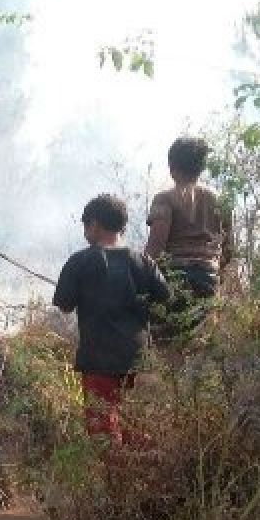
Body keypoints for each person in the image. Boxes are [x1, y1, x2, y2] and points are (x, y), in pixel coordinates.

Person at [53, 194, 171, 455]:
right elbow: (165, 299)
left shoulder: (80, 262)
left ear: (93, 224)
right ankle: (147, 479)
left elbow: (64, 305)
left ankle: (116, 486)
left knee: (104, 431)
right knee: (137, 425)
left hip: (99, 360)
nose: (85, 232)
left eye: (85, 226)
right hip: (139, 361)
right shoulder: (144, 262)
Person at [144, 137, 234, 337]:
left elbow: (156, 247)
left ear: (171, 166)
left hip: (173, 279)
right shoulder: (220, 201)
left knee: (163, 341)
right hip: (208, 281)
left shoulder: (165, 199)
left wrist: (137, 276)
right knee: (195, 345)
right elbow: (229, 252)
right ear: (201, 167)